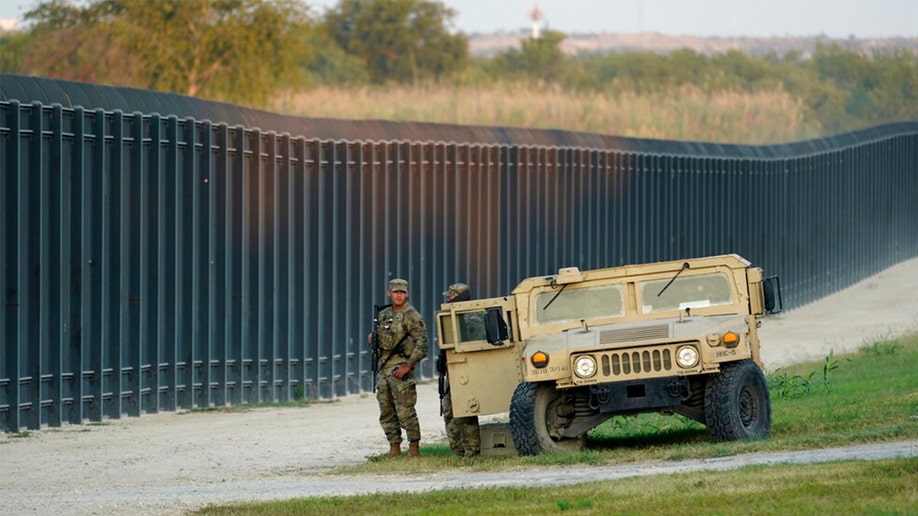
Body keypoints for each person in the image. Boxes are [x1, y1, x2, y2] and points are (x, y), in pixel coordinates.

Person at [368, 278, 429, 458]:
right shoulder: (383, 314)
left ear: (407, 294)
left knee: (405, 411)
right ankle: (394, 447)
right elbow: (381, 337)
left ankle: (414, 449)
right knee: (386, 411)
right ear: (389, 293)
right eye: (395, 292)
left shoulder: (412, 316)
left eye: (402, 292)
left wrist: (408, 366)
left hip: (401, 368)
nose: (398, 295)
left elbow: (422, 344)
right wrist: (373, 338)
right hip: (384, 367)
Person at [438, 283, 481, 457]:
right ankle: (457, 451)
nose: (448, 299)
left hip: (466, 370)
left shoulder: (473, 317)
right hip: (453, 370)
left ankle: (472, 451)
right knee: (449, 411)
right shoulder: (451, 318)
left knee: (466, 412)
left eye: (451, 296)